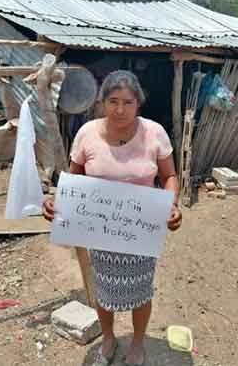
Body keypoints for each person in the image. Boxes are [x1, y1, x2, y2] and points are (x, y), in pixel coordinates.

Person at [42, 70, 182, 366]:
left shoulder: (154, 133)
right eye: (113, 101)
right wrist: (58, 202)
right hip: (100, 232)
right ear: (102, 102)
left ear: (138, 104)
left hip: (140, 230)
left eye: (128, 102)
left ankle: (138, 342)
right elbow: (73, 178)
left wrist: (171, 205)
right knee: (103, 291)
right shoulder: (87, 133)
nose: (120, 110)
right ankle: (108, 338)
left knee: (141, 291)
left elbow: (169, 176)